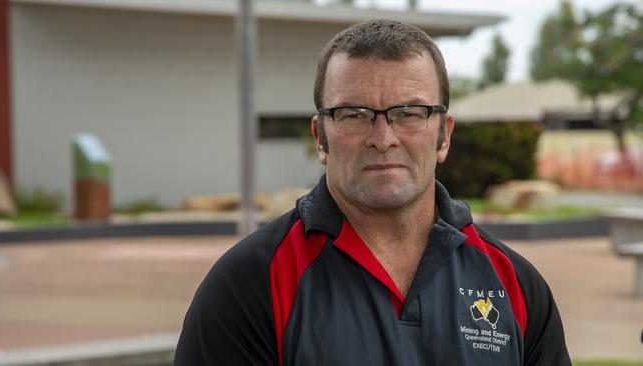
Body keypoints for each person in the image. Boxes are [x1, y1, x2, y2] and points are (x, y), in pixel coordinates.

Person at [174, 19, 571, 366]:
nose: (383, 139)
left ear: (444, 135)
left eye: (409, 113)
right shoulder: (248, 284)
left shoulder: (515, 284)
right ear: (321, 138)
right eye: (353, 115)